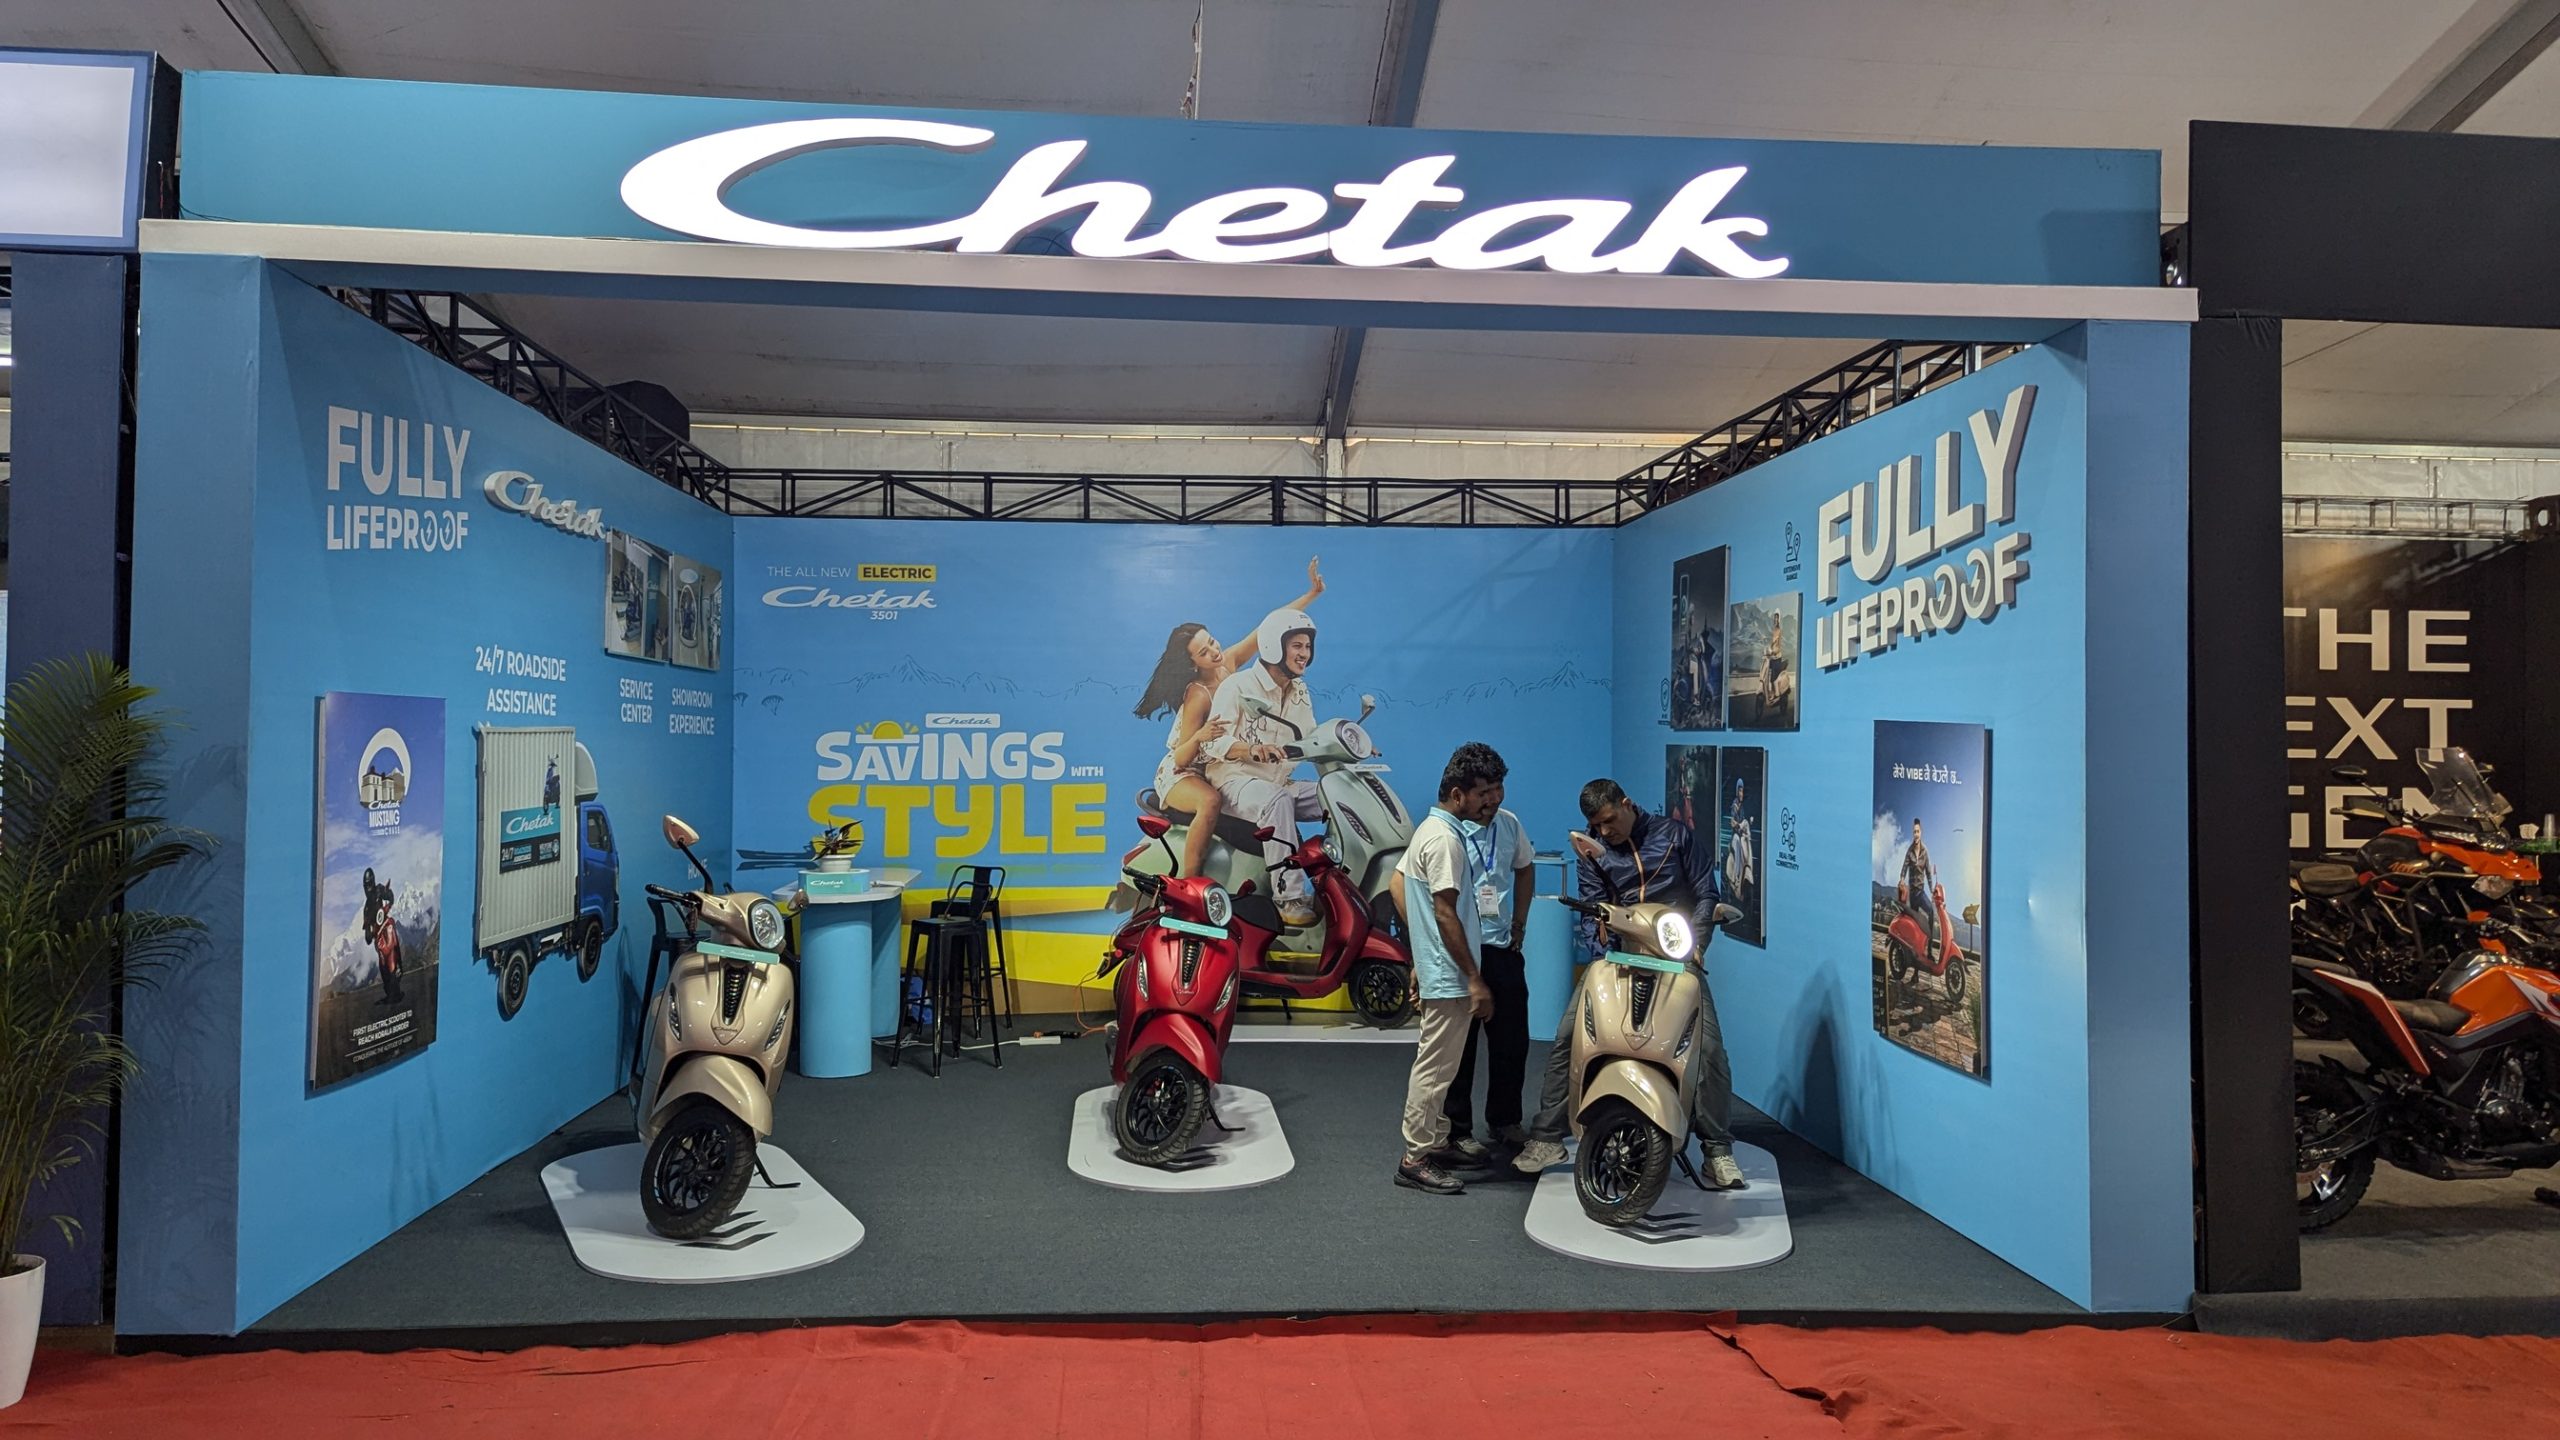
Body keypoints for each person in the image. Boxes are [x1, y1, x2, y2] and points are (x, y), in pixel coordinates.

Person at [1512, 778, 1745, 1190]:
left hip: (1676, 958)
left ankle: (1717, 1149)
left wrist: (1697, 943)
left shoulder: (1675, 836)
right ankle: (1547, 1137)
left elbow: (1706, 893)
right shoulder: (1594, 852)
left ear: (1626, 803)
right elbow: (1591, 909)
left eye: (1609, 820)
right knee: (1568, 1036)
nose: (1605, 831)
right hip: (1618, 958)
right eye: (1596, 825)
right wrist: (1600, 954)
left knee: (1707, 1049)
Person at [1132, 557, 1324, 881]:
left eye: (1212, 641)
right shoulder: (1197, 694)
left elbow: (1269, 627)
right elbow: (1181, 756)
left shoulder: (1228, 664)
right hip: (1185, 770)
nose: (1214, 651)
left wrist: (1311, 595)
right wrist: (1201, 735)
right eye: (1204, 652)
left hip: (1217, 762)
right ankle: (1191, 882)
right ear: (1193, 663)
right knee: (1210, 802)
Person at [1393, 742, 1507, 1195]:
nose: (1493, 800)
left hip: (1441, 970)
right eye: (1484, 792)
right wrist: (1474, 978)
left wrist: (1420, 957)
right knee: (1436, 1068)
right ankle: (1415, 1158)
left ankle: (1437, 1142)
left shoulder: (1434, 830)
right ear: (1458, 794)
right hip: (1450, 977)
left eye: (1497, 789)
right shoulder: (1444, 839)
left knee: (1443, 1065)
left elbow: (1400, 885)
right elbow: (1444, 913)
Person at [1203, 605, 1325, 928]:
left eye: (1307, 646)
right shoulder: (1238, 686)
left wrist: (1345, 744)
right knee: (1277, 800)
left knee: (1334, 795)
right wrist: (1251, 750)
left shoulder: (1299, 692)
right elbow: (1211, 743)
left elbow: (1311, 736)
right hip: (1235, 782)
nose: (1304, 654)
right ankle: (1289, 898)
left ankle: (1337, 886)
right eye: (1296, 646)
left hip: (1278, 782)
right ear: (1273, 645)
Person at [362, 867, 406, 1006]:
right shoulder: (366, 909)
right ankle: (391, 994)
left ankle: (397, 976)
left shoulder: (379, 890)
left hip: (387, 928)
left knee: (392, 958)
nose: (368, 888)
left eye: (369, 884)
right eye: (366, 886)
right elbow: (368, 938)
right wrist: (368, 932)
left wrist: (387, 894)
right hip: (379, 939)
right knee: (383, 968)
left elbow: (390, 897)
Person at [1900, 817, 1941, 956]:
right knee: (1914, 924)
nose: (1916, 834)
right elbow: (1904, 867)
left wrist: (1932, 890)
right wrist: (1901, 879)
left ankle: (1929, 949)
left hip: (1921, 893)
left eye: (1917, 831)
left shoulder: (1925, 851)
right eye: (1914, 832)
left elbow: (1928, 873)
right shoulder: (1910, 851)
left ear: (1921, 832)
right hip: (1912, 895)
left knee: (1931, 912)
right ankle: (1914, 952)